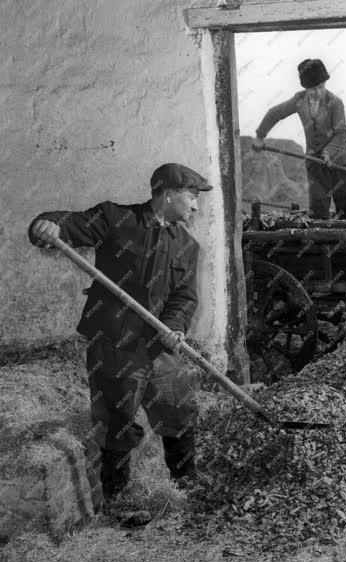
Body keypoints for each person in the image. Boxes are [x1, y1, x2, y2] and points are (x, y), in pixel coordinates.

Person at [28, 163, 213, 511]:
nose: (196, 206)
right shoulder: (115, 218)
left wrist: (175, 327)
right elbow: (67, 224)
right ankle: (120, 498)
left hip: (158, 343)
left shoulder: (187, 245)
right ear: (168, 193)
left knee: (178, 405)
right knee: (117, 418)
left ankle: (185, 479)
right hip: (114, 341)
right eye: (192, 197)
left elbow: (184, 298)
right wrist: (46, 224)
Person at [253, 58, 346, 220]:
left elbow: (342, 133)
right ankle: (321, 242)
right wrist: (260, 135)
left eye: (321, 87)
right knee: (318, 208)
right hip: (314, 160)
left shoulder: (335, 103)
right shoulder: (299, 100)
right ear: (305, 88)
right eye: (312, 89)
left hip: (339, 160)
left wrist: (328, 153)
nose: (317, 92)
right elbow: (275, 113)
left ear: (325, 83)